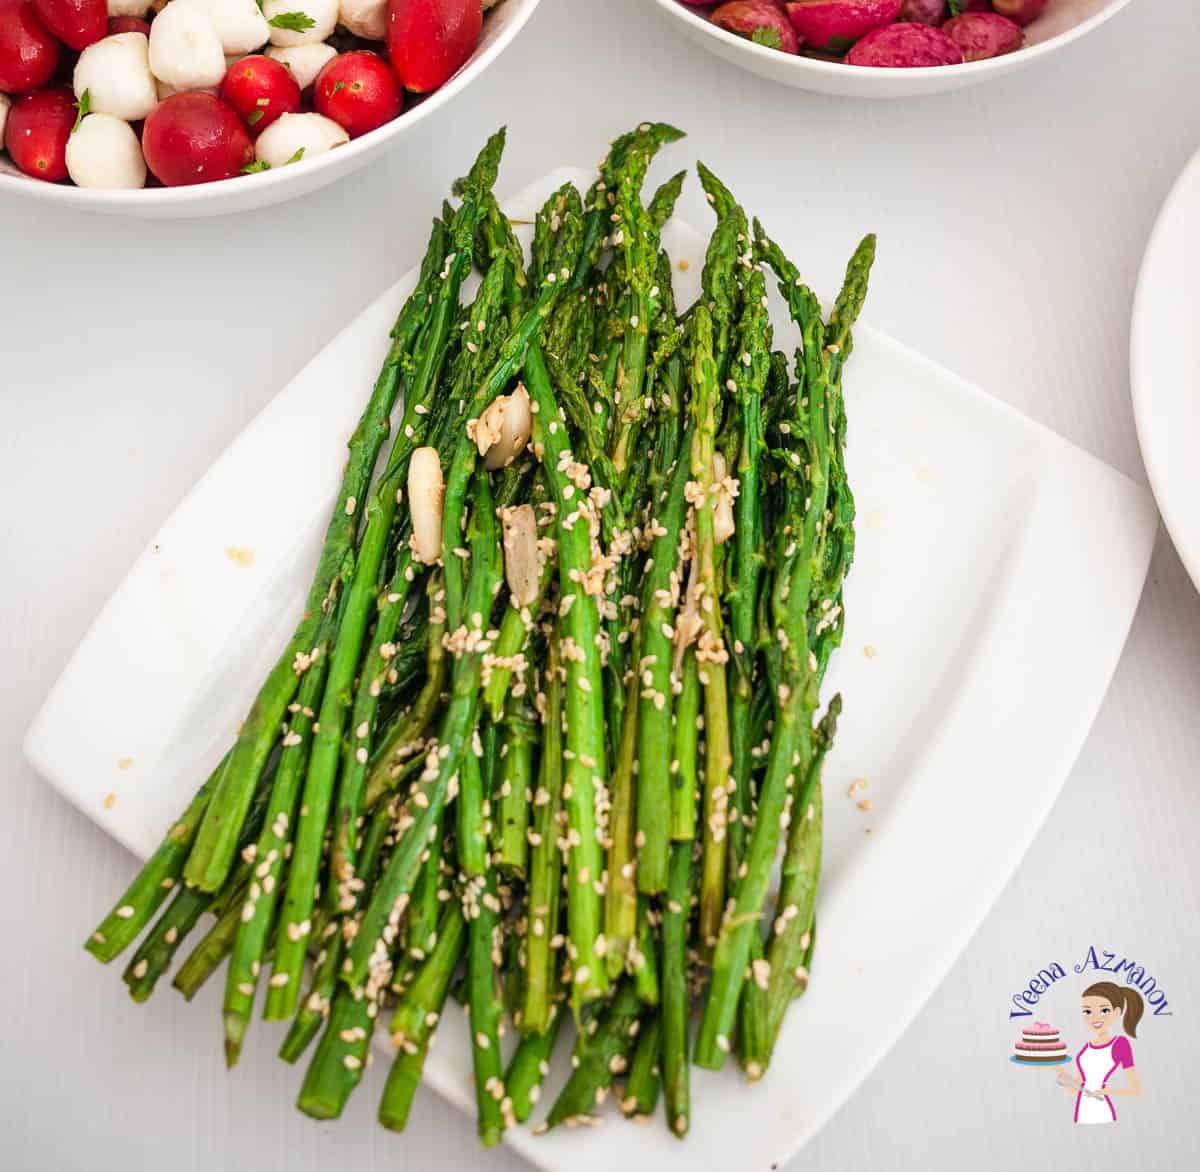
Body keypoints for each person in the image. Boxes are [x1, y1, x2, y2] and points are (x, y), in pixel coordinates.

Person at [1056, 981, 1144, 1124]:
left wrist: (1105, 1092)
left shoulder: (1119, 1044)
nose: (1094, 1018)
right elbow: (1077, 1088)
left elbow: (1136, 1089)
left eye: (1104, 1011)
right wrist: (1060, 1073)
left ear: (1116, 1013)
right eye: (1087, 1012)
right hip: (1082, 1109)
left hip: (1100, 1107)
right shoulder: (1086, 1048)